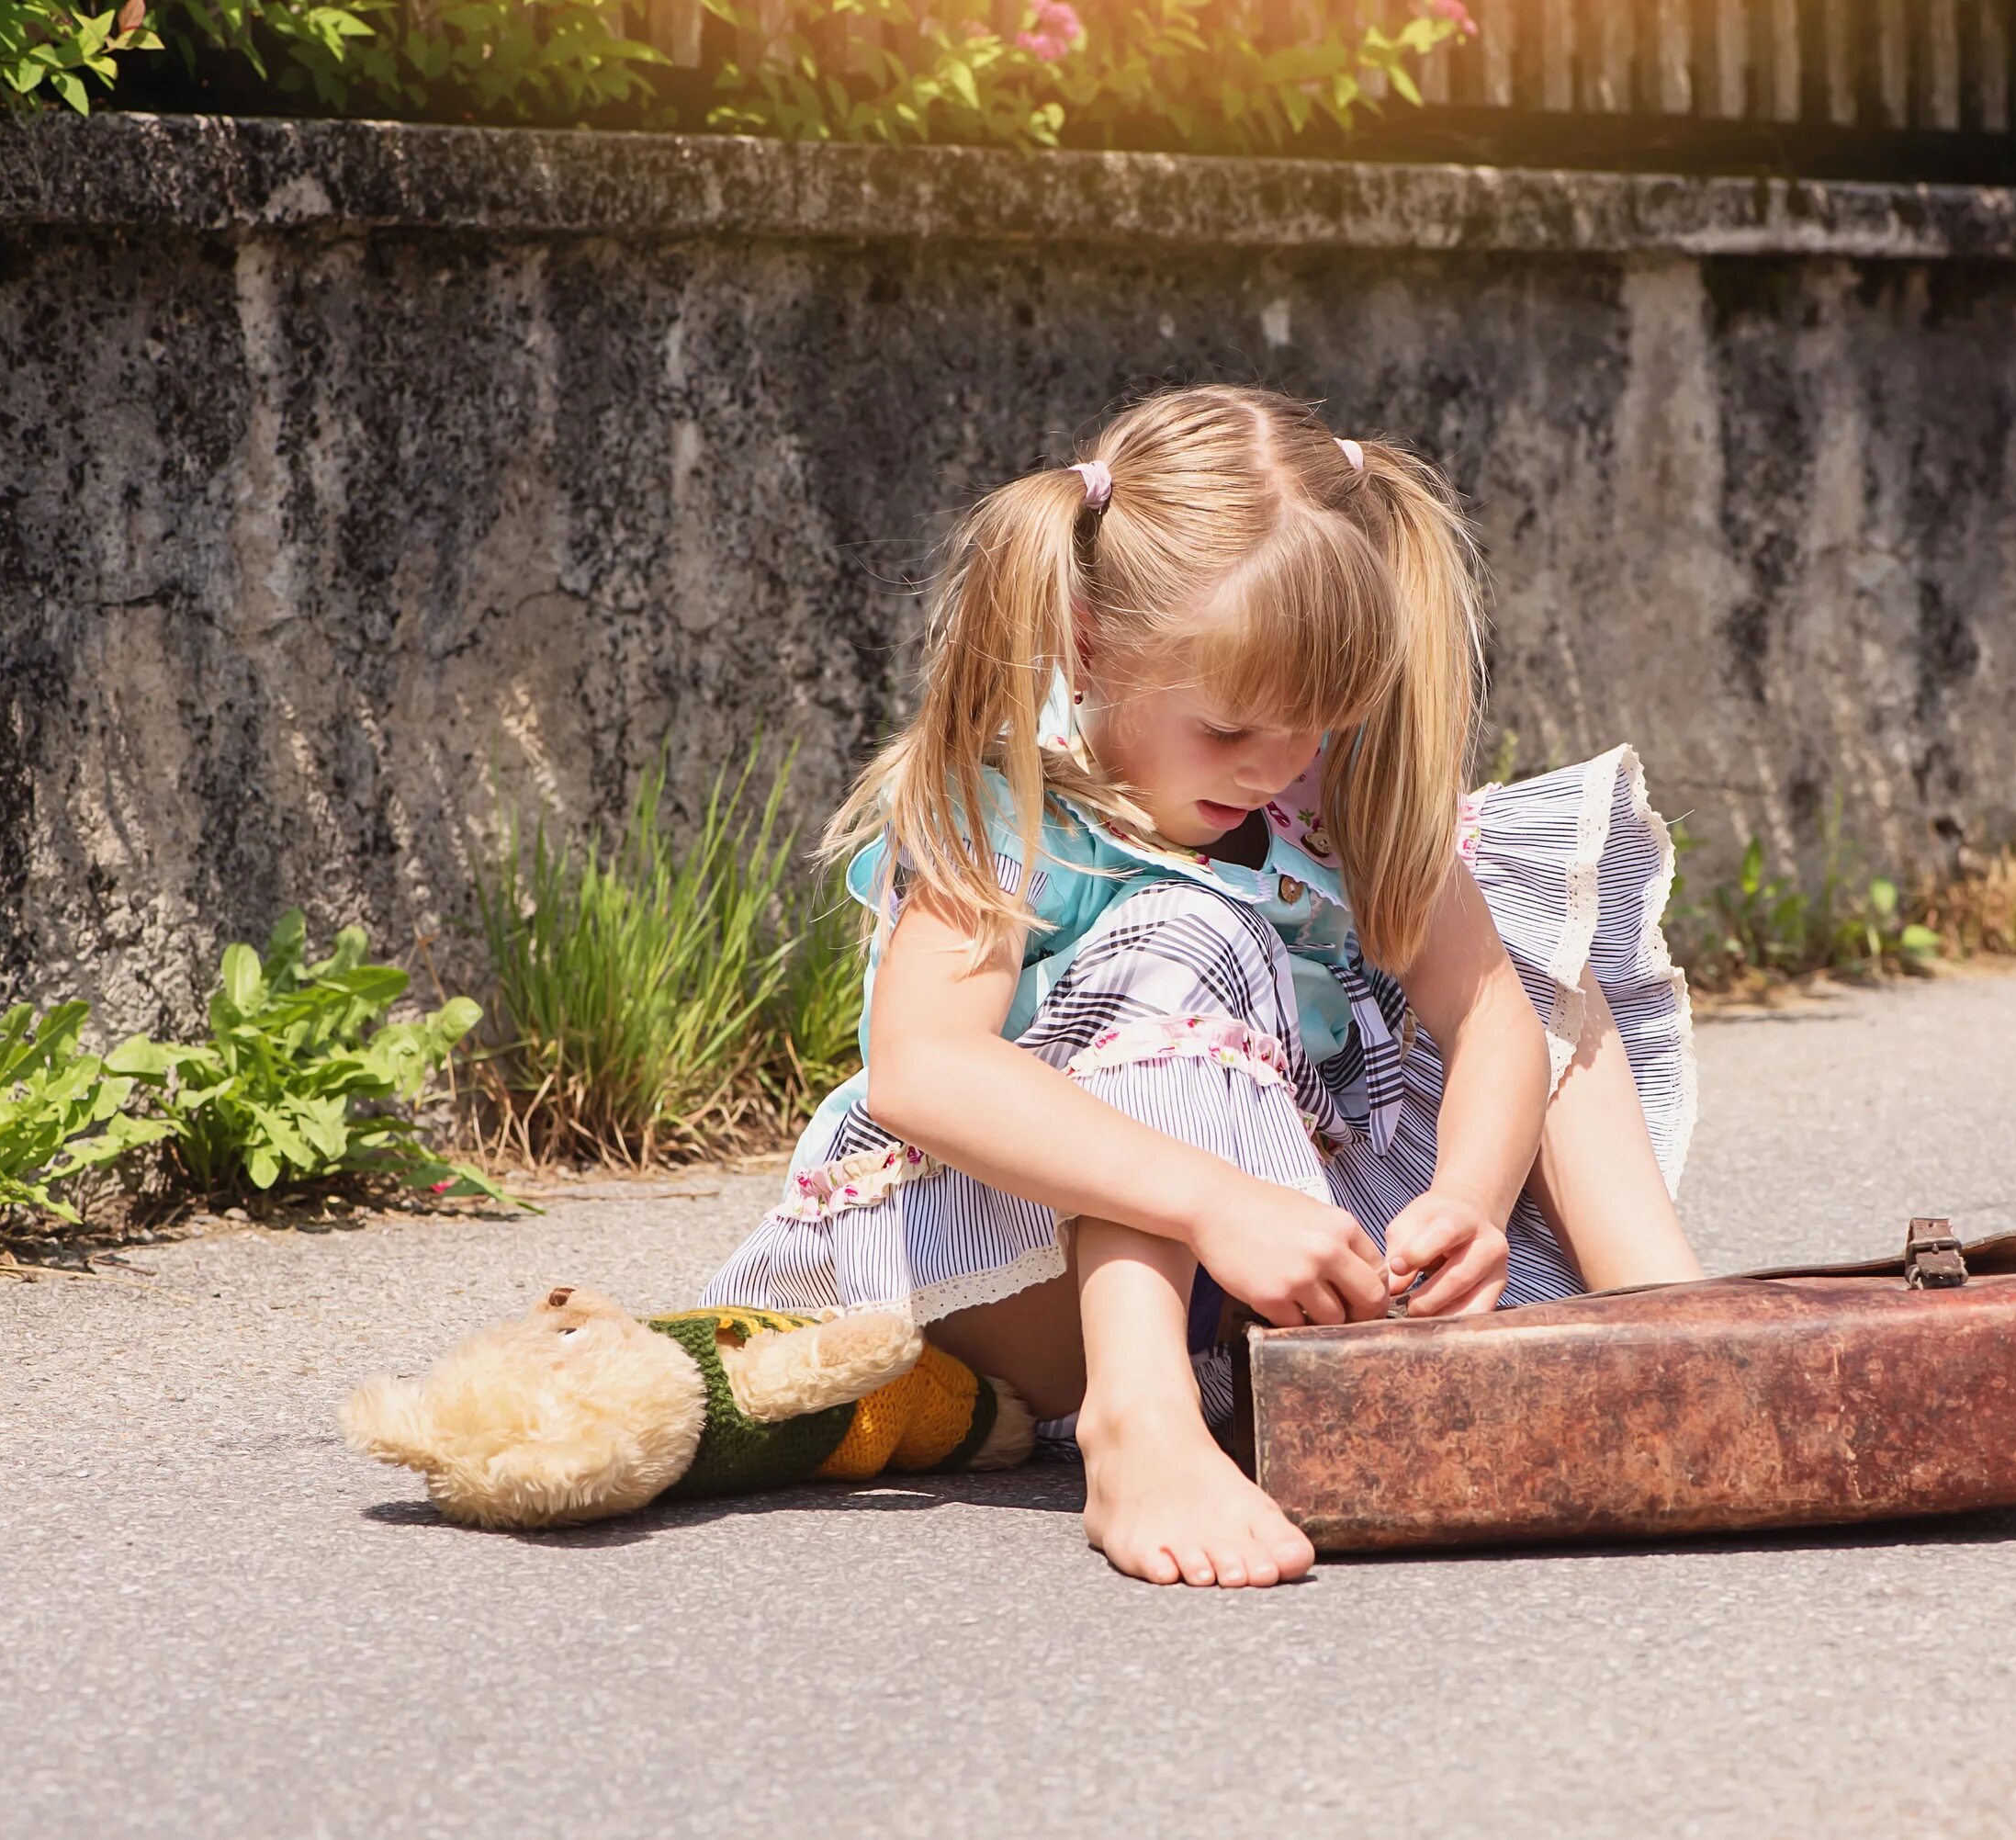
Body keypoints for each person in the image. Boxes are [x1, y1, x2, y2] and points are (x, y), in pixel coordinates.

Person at [702, 385, 1699, 1586]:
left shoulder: (1325, 793)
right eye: (1230, 731)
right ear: (1088, 641)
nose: (1277, 765)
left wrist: (1472, 1207)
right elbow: (924, 1067)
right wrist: (1217, 1202)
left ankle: (1667, 1326)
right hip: (1022, 1276)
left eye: (1318, 726)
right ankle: (1143, 1423)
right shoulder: (1013, 801)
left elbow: (1489, 1011)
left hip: (1281, 1272)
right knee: (1186, 928)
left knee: (1545, 962)